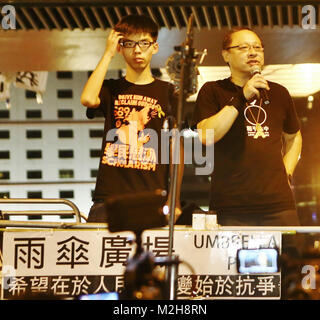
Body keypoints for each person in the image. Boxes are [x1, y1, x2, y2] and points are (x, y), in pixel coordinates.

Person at [193, 27, 302, 227]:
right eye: (243, 47)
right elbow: (207, 135)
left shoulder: (279, 93)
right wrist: (241, 97)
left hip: (279, 205)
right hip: (231, 206)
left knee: (289, 257)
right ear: (226, 54)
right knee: (230, 259)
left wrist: (287, 172)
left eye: (257, 48)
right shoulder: (213, 91)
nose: (252, 52)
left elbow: (294, 137)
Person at [81, 14, 182, 223]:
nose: (137, 50)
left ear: (154, 47)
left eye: (144, 43)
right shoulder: (111, 89)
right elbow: (88, 99)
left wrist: (174, 199)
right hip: (108, 200)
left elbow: (176, 149)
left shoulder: (168, 92)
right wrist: (108, 54)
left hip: (152, 198)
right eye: (129, 43)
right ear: (120, 47)